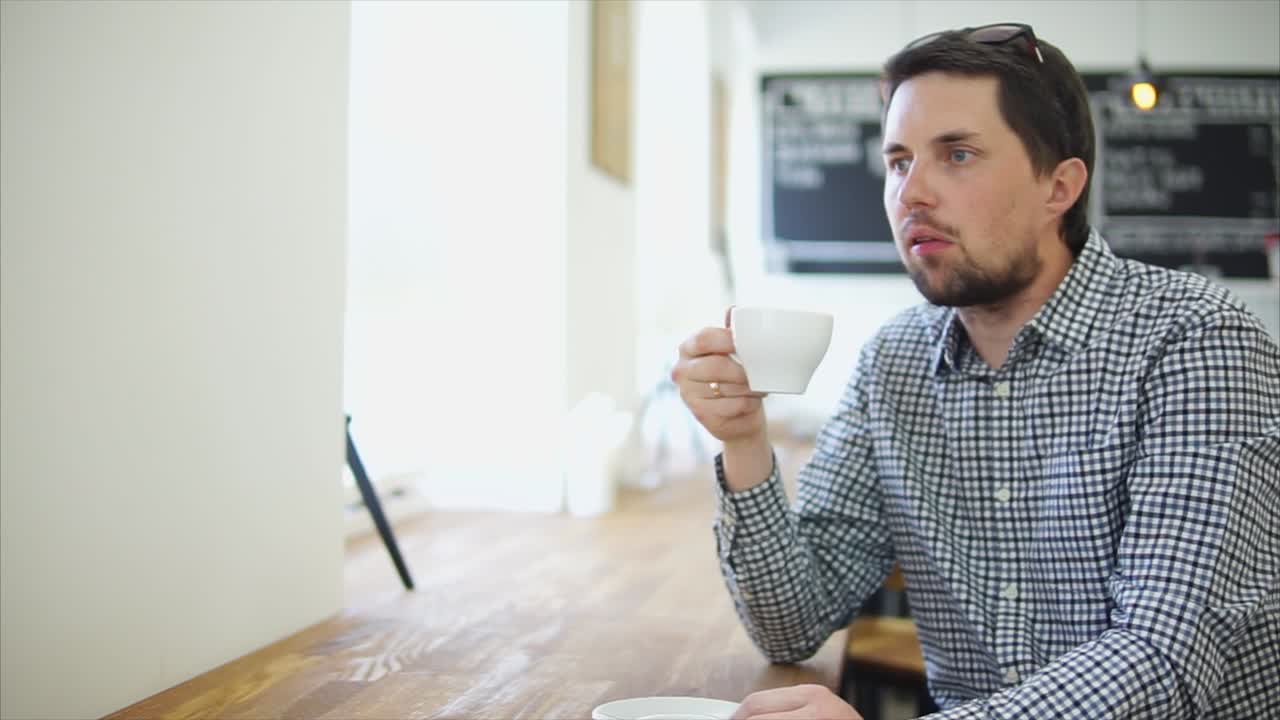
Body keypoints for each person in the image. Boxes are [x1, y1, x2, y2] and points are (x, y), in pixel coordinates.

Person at [673, 23, 1280, 720]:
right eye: (898, 162)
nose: (911, 193)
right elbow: (794, 621)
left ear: (1059, 186)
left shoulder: (1198, 341)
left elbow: (1163, 659)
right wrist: (744, 439)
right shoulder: (893, 363)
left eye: (956, 154)